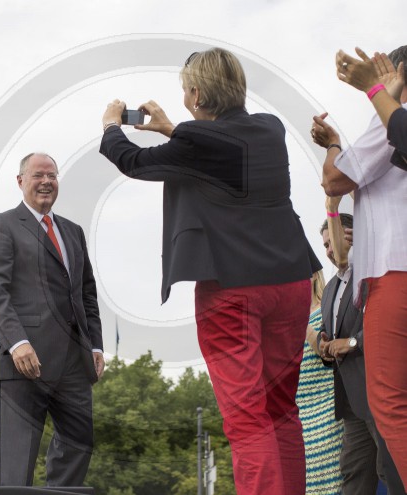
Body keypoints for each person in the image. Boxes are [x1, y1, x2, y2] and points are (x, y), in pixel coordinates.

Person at [99, 47, 321, 495]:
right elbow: (217, 145)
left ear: (196, 93)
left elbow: (130, 160)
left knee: (247, 419)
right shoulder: (270, 129)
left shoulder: (191, 145)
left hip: (232, 289)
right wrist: (174, 127)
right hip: (292, 282)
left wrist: (110, 124)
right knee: (281, 411)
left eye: (186, 89)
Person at [0, 152, 104, 486]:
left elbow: (86, 293)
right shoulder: (1, 225)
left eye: (52, 175)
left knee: (79, 444)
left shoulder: (72, 232)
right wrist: (16, 342)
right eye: (38, 175)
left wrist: (96, 346)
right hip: (24, 362)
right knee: (17, 463)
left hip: (73, 364)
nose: (46, 181)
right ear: (21, 182)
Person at [311, 44, 407, 490]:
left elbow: (334, 178)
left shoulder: (390, 127)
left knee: (391, 405)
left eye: (386, 68)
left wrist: (332, 143)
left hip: (395, 273)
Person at [317, 200, 405, 495]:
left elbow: (391, 323)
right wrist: (324, 344)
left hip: (383, 391)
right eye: (326, 246)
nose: (329, 251)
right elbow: (330, 333)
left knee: (391, 470)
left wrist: (352, 343)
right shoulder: (329, 289)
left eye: (333, 241)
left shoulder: (377, 272)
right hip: (352, 402)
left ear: (352, 235)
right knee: (354, 476)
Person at [295, 268, 344, 494]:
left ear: (313, 274)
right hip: (300, 421)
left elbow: (330, 353)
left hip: (329, 416)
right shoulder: (284, 323)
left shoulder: (327, 309)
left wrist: (300, 323)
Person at [334, 46, 407, 169]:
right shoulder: (394, 115)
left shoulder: (390, 117)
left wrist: (332, 144)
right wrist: (391, 100)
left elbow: (334, 181)